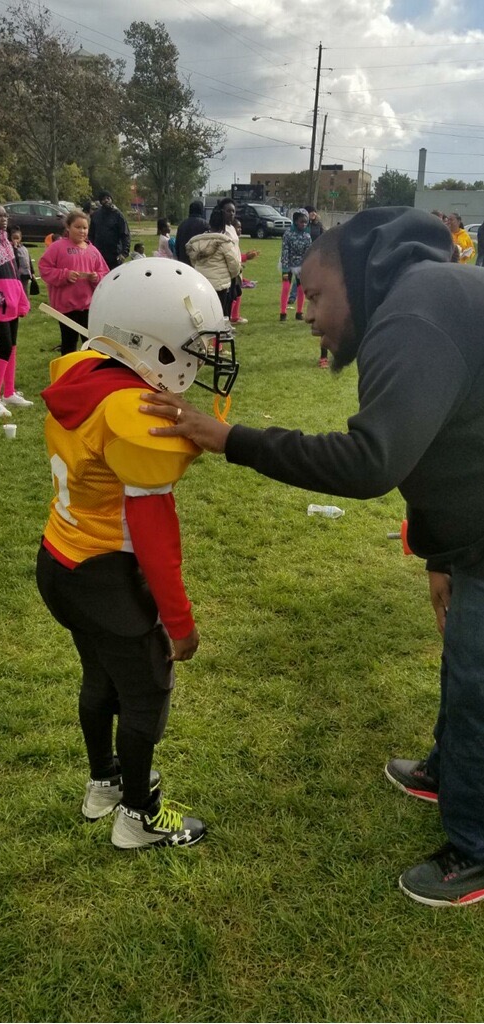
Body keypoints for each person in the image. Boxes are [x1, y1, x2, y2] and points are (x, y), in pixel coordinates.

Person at [138, 206, 484, 907]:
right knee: (465, 659)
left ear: (358, 275)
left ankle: (475, 850)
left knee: (479, 681)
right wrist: (441, 556)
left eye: (316, 294)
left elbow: (369, 462)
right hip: (473, 536)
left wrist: (231, 438)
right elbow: (442, 446)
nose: (305, 313)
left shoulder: (412, 314)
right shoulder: (424, 295)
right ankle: (449, 771)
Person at [36, 258, 239, 851]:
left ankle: (103, 784)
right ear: (151, 341)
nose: (200, 359)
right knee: (147, 691)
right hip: (107, 573)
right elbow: (154, 537)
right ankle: (138, 816)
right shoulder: (129, 411)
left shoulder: (86, 374)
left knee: (100, 677)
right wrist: (179, 621)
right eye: (192, 346)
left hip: (61, 558)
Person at [39, 210, 109, 356]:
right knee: (69, 342)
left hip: (88, 306)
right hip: (66, 307)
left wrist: (96, 277)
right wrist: (65, 275)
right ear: (68, 227)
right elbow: (44, 268)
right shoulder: (57, 247)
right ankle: (68, 368)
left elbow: (105, 274)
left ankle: (90, 368)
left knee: (91, 343)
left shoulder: (93, 251)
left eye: (85, 228)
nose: (82, 231)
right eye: (78, 227)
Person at [0, 199, 32, 417]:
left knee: (12, 345)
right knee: (4, 346)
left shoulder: (5, 240)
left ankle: (9, 392)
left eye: (5, 215)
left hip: (12, 302)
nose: (4, 219)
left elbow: (14, 275)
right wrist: (0, 298)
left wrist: (20, 299)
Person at [186, 208, 241, 318]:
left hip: (201, 283)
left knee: (204, 313)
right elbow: (234, 265)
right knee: (219, 314)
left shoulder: (196, 242)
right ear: (223, 226)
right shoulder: (224, 242)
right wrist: (231, 276)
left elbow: (193, 261)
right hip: (219, 285)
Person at [279, 209, 312, 322]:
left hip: (300, 266)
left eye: (306, 222)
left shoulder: (307, 236)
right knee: (286, 288)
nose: (304, 224)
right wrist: (285, 269)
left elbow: (308, 253)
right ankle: (283, 313)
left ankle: (299, 312)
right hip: (287, 264)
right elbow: (285, 251)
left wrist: (306, 267)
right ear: (296, 221)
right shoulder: (288, 234)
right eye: (301, 221)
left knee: (301, 289)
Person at [88, 190, 130, 270]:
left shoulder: (118, 215)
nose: (106, 200)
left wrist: (124, 253)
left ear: (111, 199)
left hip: (115, 255)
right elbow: (91, 235)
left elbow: (125, 234)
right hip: (99, 254)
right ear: (101, 201)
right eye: (104, 199)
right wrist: (90, 249)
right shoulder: (96, 215)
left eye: (108, 198)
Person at [230, 218, 259, 325]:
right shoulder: (230, 240)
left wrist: (246, 256)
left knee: (238, 293)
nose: (240, 230)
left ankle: (235, 316)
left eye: (240, 227)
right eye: (238, 227)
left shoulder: (235, 240)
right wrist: (246, 257)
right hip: (232, 272)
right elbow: (232, 257)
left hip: (237, 271)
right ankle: (231, 317)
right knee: (234, 294)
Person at [175, 200, 209, 265]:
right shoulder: (205, 225)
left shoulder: (182, 225)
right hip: (199, 261)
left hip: (184, 260)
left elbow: (177, 245)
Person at [8, 225, 37, 297]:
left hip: (26, 273)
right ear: (11, 238)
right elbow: (13, 259)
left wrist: (32, 272)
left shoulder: (24, 248)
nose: (16, 240)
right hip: (17, 274)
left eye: (17, 238)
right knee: (17, 290)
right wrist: (15, 248)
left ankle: (25, 302)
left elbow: (29, 260)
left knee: (24, 290)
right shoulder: (10, 248)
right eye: (14, 238)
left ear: (20, 238)